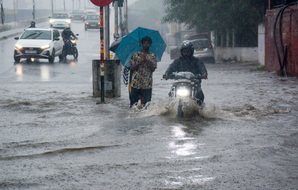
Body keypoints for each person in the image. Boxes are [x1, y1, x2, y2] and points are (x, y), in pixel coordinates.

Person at [163, 40, 208, 104]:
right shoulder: (177, 61)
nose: (186, 53)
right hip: (179, 82)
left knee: (200, 94)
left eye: (188, 51)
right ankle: (170, 106)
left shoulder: (197, 61)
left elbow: (202, 69)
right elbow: (171, 68)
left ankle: (200, 109)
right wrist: (166, 74)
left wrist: (204, 74)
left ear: (191, 52)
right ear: (181, 52)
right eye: (184, 52)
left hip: (194, 83)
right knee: (171, 92)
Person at [129, 36, 157, 108]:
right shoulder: (135, 55)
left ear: (150, 44)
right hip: (136, 82)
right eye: (144, 43)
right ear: (142, 44)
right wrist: (139, 63)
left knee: (147, 105)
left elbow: (153, 69)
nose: (145, 45)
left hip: (147, 83)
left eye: (147, 43)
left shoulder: (152, 56)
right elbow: (131, 68)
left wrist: (146, 60)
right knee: (133, 105)